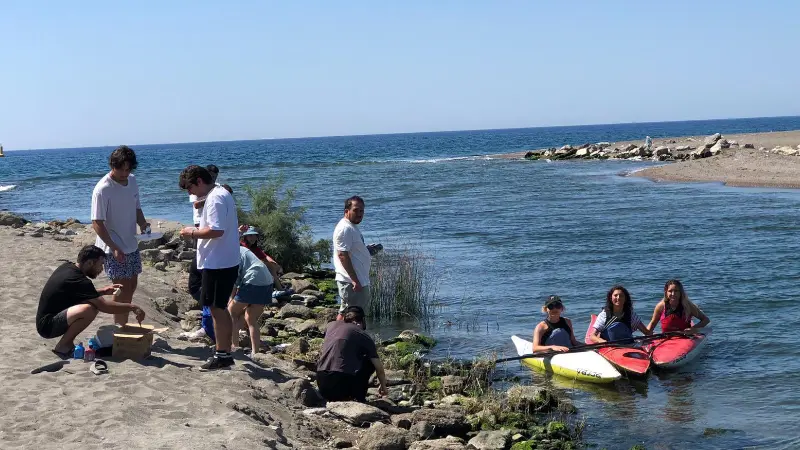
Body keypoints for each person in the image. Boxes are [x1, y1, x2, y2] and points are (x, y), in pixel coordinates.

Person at [179, 165, 240, 371]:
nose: (190, 193)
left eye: (190, 187)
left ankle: (222, 354)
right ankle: (225, 352)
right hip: (225, 259)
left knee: (216, 309)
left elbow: (215, 230)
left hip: (218, 262)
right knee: (219, 307)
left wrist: (192, 232)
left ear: (199, 181)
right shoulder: (221, 192)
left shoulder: (214, 198)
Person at [36, 245, 146, 358]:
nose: (101, 269)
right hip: (47, 326)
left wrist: (103, 291)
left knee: (91, 305)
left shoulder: (68, 268)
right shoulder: (79, 280)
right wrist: (132, 307)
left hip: (48, 320)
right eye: (100, 265)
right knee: (89, 309)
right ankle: (63, 347)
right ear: (89, 263)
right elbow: (105, 306)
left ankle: (66, 345)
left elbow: (79, 294)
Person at [91, 145, 150, 326]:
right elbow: (97, 222)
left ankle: (122, 325)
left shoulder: (132, 181)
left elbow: (136, 207)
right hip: (113, 246)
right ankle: (119, 328)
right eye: (121, 169)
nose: (125, 173)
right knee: (122, 290)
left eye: (128, 169)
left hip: (131, 243)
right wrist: (114, 247)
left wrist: (143, 223)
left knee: (131, 287)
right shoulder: (103, 189)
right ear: (112, 165)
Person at [316, 306, 388, 402]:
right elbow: (379, 368)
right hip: (340, 387)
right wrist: (383, 386)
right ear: (362, 320)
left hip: (322, 384)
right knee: (369, 362)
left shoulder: (331, 325)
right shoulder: (362, 334)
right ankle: (359, 398)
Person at [333, 196, 377, 320]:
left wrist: (366, 251)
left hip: (357, 280)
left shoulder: (351, 226)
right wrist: (355, 280)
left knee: (349, 313)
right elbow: (342, 255)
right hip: (351, 282)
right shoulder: (344, 228)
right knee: (351, 315)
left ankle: (338, 337)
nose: (359, 214)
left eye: (361, 211)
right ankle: (337, 337)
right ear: (346, 211)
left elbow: (351, 251)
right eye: (356, 210)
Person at [228, 246, 274, 358]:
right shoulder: (242, 249)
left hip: (253, 278)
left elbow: (235, 279)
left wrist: (231, 299)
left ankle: (235, 348)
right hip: (267, 281)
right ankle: (255, 353)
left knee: (231, 312)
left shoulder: (231, 252)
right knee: (250, 318)